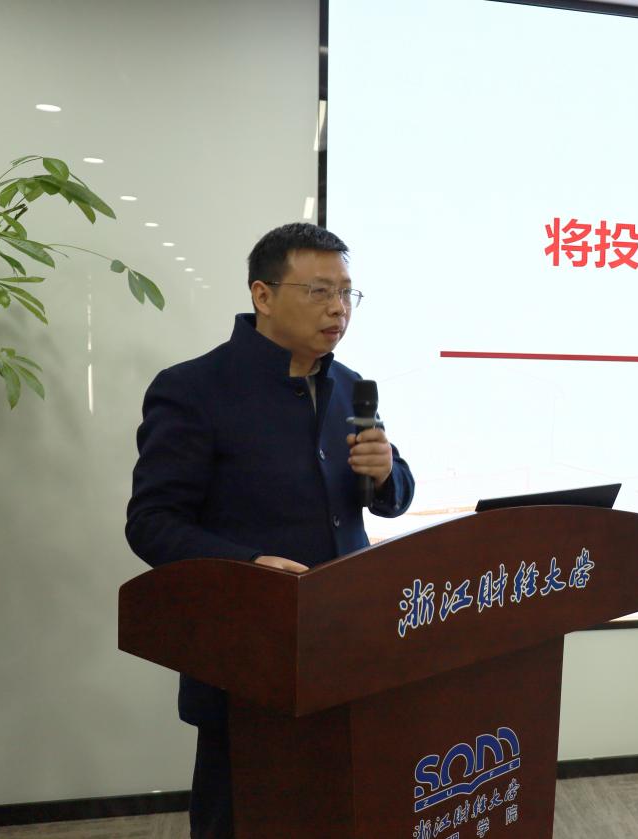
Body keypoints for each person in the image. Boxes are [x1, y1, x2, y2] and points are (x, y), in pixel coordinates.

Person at [125, 222, 415, 838]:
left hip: (346, 646)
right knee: (241, 818)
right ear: (262, 294)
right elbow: (152, 524)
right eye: (319, 291)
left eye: (347, 293)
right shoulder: (193, 389)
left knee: (341, 810)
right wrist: (250, 567)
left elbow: (390, 498)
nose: (338, 308)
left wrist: (388, 472)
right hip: (247, 658)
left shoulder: (350, 387)